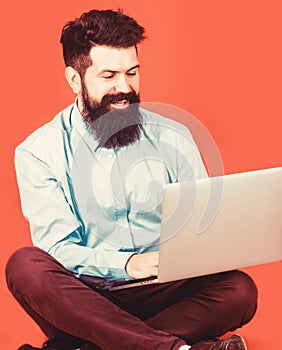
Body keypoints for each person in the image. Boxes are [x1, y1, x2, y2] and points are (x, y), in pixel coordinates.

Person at [5, 9, 258, 350]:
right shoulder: (38, 151)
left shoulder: (175, 136)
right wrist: (126, 264)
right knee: (25, 267)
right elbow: (59, 248)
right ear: (74, 80)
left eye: (132, 72)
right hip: (86, 298)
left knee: (240, 290)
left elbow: (200, 231)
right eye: (108, 75)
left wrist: (212, 244)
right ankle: (173, 348)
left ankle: (96, 347)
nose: (124, 88)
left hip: (162, 289)